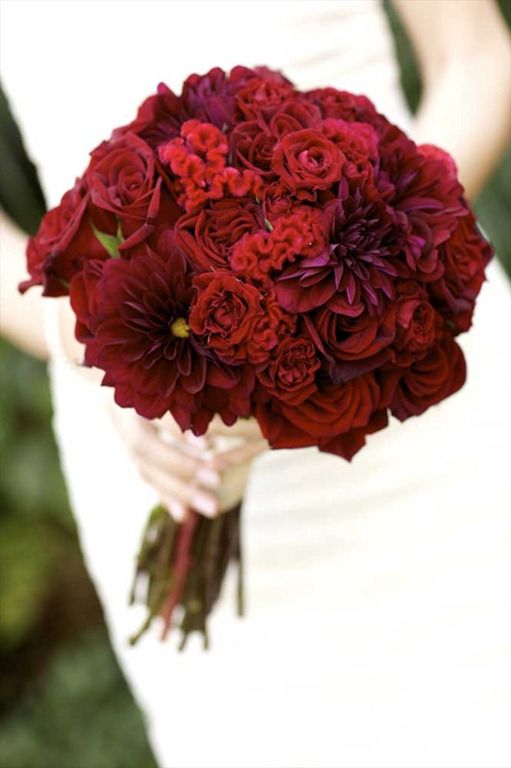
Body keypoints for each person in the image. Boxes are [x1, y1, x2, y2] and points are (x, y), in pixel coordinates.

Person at [1, 1, 510, 766]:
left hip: (418, 415)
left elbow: (475, 58)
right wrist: (88, 341)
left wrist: (378, 265)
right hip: (146, 436)